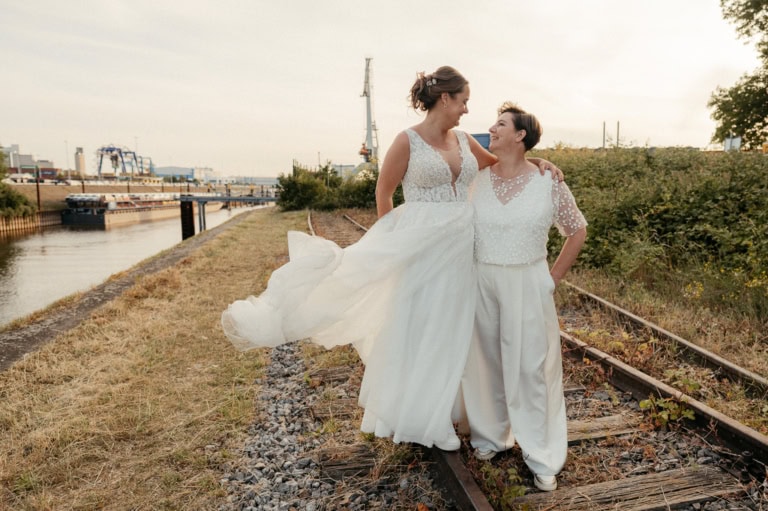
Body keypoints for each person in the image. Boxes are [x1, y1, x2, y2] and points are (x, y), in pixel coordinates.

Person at [221, 67, 558, 451]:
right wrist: (394, 246)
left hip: (462, 247)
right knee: (419, 325)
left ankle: (448, 409)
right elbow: (385, 194)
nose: (467, 109)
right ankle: (424, 418)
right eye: (463, 100)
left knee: (454, 328)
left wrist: (541, 163)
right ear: (444, 98)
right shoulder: (406, 142)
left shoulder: (465, 141)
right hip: (419, 244)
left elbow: (502, 164)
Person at [460, 102, 587, 492]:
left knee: (532, 368)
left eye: (500, 124)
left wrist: (553, 277)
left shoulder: (549, 180)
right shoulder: (476, 178)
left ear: (521, 135)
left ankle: (543, 453)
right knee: (484, 360)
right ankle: (490, 436)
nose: (491, 129)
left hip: (529, 280)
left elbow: (576, 229)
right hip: (481, 278)